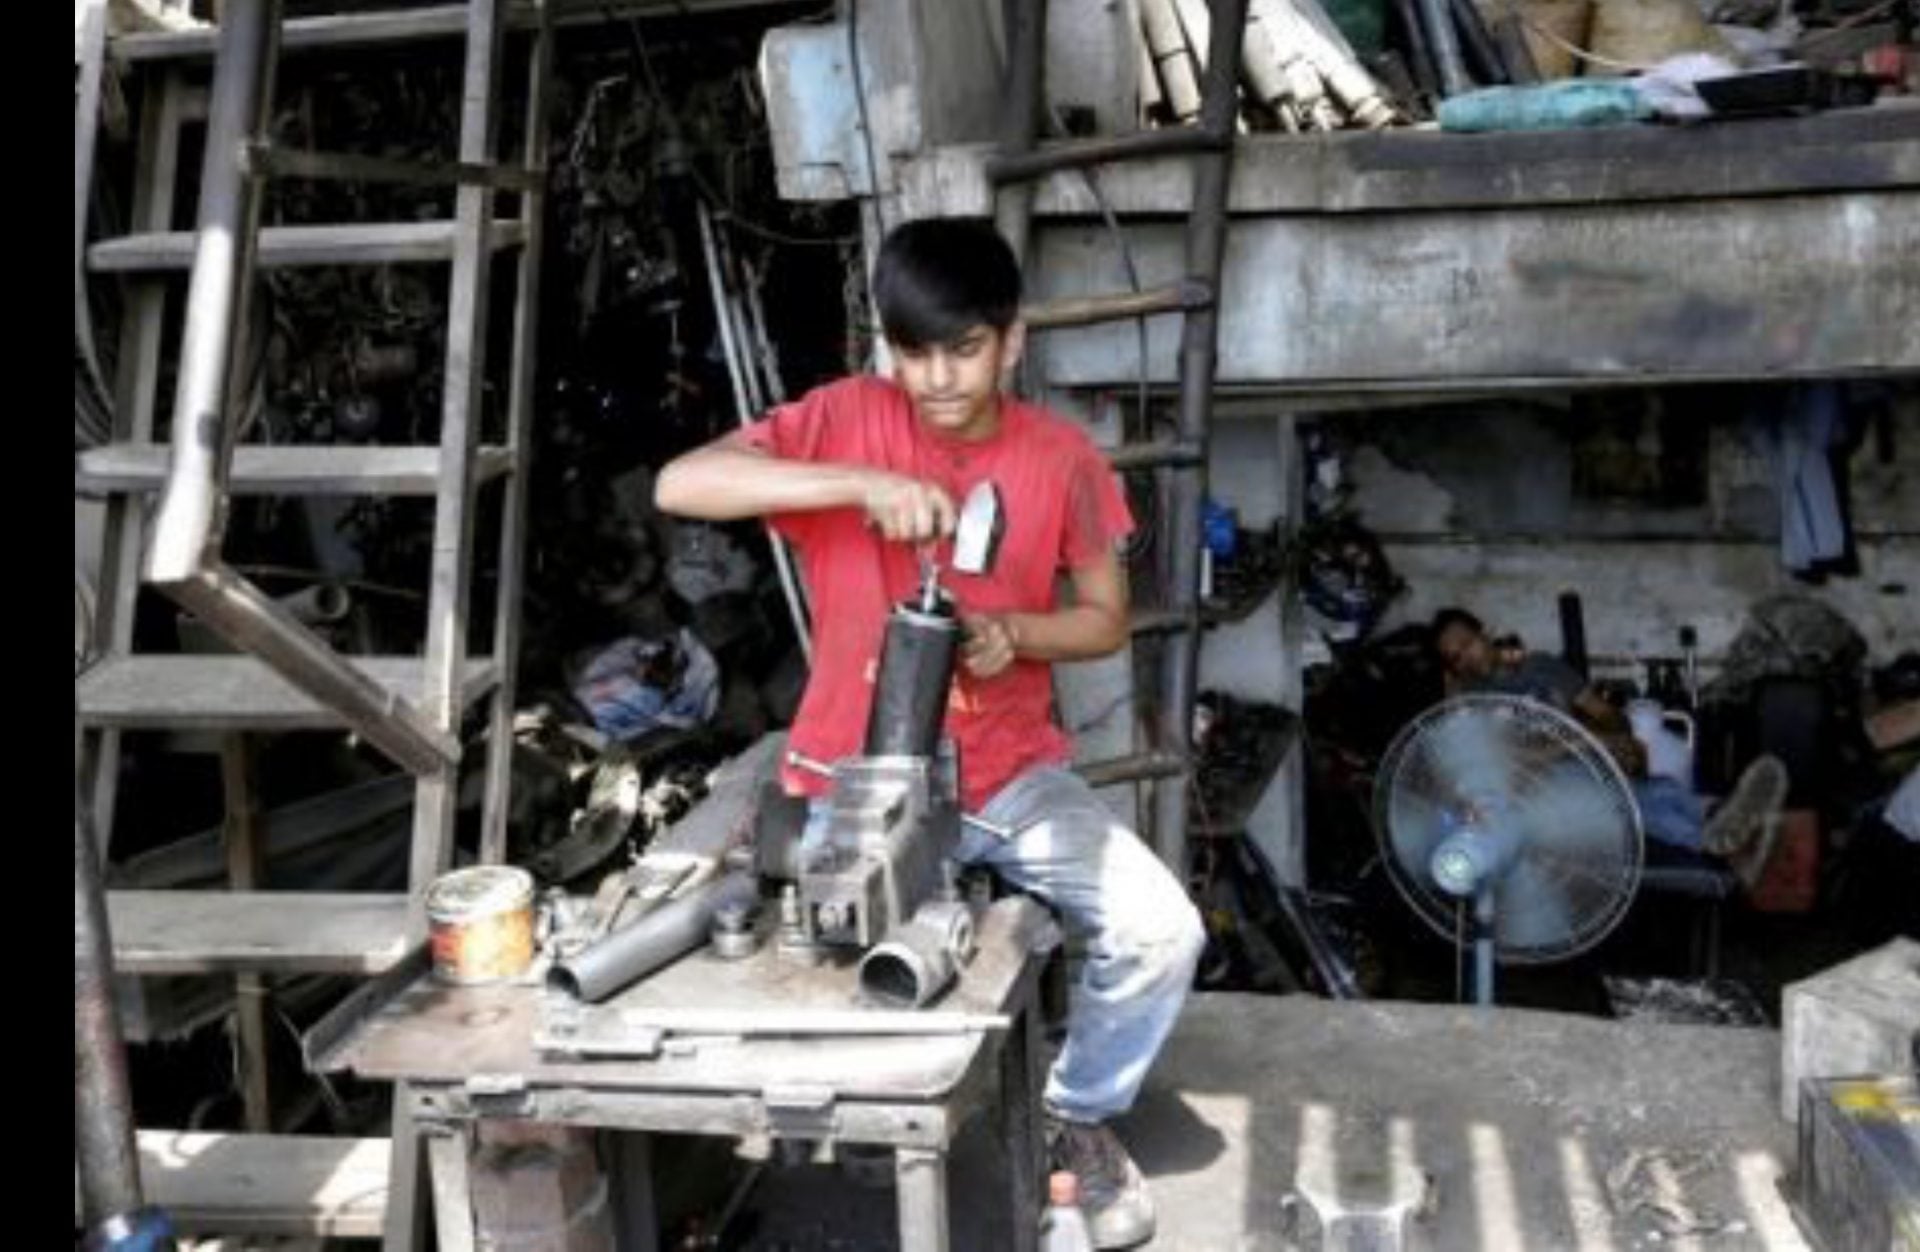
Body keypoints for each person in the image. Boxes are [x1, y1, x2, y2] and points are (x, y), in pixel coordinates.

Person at [656, 217, 1204, 1249]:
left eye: (964, 349)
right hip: (848, 776)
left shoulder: (1063, 460)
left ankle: (1074, 1112)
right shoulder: (846, 418)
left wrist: (1016, 633)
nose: (939, 379)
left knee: (1160, 931)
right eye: (914, 353)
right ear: (888, 348)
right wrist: (859, 483)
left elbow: (1105, 620)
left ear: (1013, 341)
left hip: (1008, 775)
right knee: (834, 985)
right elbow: (681, 483)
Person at [1430, 607, 1788, 882]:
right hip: (1541, 802)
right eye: (1456, 657)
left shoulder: (1542, 667)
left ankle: (1721, 821)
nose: (1468, 657)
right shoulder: (1472, 705)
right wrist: (1586, 742)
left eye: (1468, 643)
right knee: (1621, 801)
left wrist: (1621, 741)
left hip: (1589, 770)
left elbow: (1607, 715)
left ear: (1485, 632)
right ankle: (1712, 837)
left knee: (1655, 788)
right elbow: (1512, 762)